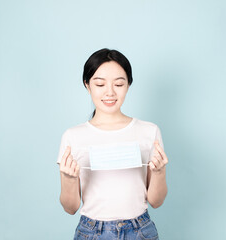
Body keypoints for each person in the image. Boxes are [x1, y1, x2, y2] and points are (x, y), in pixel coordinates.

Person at [57, 48, 168, 239]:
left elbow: (156, 202)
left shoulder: (149, 131)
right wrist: (69, 179)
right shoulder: (73, 137)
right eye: (100, 84)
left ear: (128, 85)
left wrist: (159, 172)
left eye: (118, 84)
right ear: (87, 85)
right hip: (92, 232)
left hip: (140, 229)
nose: (109, 92)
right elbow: (70, 208)